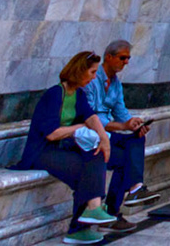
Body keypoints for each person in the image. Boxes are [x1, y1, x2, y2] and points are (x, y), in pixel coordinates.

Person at [17, 52, 116, 244]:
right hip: (41, 152)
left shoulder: (78, 94)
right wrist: (78, 127)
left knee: (95, 155)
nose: (94, 77)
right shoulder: (55, 94)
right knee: (86, 170)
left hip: (60, 149)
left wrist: (104, 138)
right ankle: (81, 225)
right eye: (92, 72)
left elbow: (91, 117)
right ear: (80, 71)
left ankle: (91, 212)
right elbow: (51, 134)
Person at [87, 41, 152, 227]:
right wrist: (123, 126)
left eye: (128, 58)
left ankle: (135, 188)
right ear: (109, 57)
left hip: (107, 134)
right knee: (125, 159)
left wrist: (134, 124)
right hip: (90, 135)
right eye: (123, 58)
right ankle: (114, 210)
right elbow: (88, 116)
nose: (126, 62)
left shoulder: (116, 84)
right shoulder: (91, 80)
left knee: (137, 138)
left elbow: (121, 111)